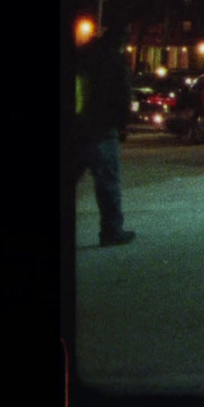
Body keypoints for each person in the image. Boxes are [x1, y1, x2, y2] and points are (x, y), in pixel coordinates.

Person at [74, 25, 137, 247]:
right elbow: (122, 95)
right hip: (102, 129)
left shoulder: (83, 55)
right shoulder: (115, 61)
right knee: (108, 183)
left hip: (76, 128)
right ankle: (111, 231)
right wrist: (122, 125)